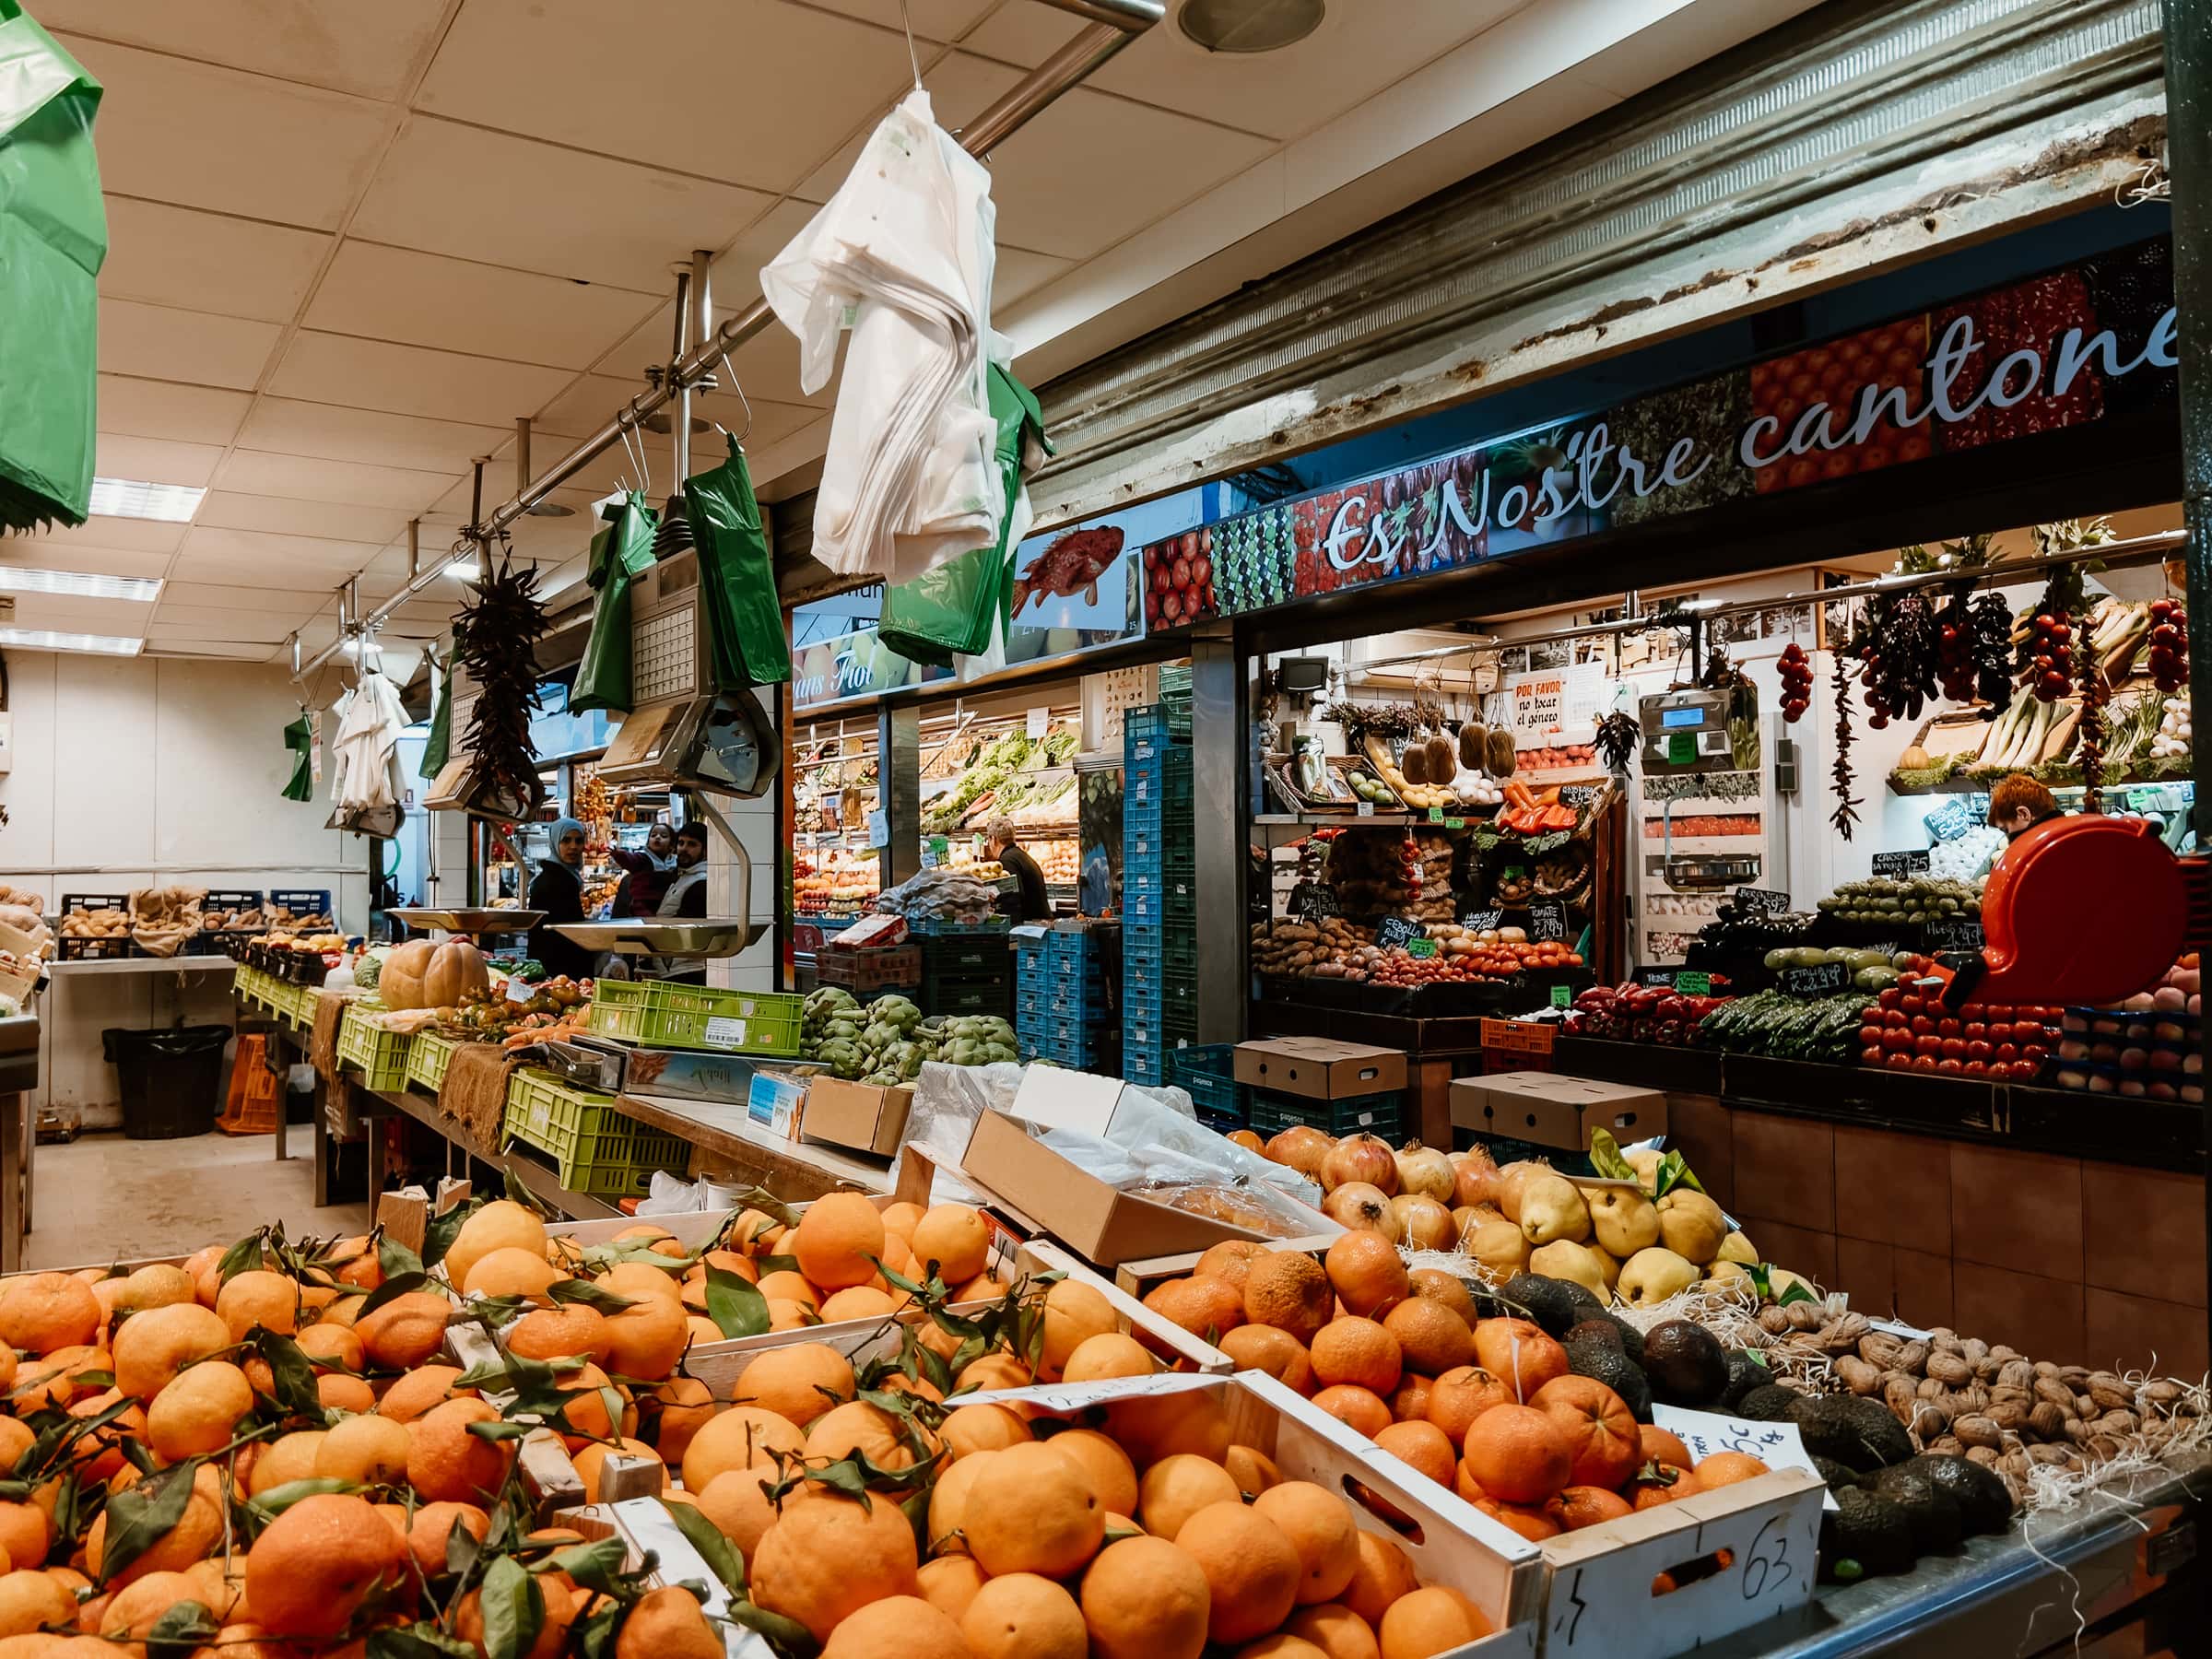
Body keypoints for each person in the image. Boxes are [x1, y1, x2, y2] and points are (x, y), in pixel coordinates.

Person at [525, 817, 596, 982]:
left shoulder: (565, 876)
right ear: (554, 842)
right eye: (566, 841)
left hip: (555, 968)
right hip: (560, 970)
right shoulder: (557, 881)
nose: (573, 847)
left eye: (578, 841)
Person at [653, 821, 712, 985]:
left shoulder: (701, 883)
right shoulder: (684, 877)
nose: (684, 849)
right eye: (681, 843)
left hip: (687, 970)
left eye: (692, 844)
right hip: (673, 968)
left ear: (705, 850)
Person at [985, 814, 1050, 922]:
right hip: (1039, 922)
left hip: (1030, 927)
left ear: (994, 839)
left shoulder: (1007, 861)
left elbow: (1013, 898)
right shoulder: (1021, 856)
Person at [608, 822, 677, 917]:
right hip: (643, 901)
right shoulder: (643, 858)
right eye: (653, 835)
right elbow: (630, 860)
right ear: (648, 841)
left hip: (665, 901)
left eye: (663, 836)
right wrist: (618, 854)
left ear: (672, 845)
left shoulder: (675, 861)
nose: (657, 837)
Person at [1987, 773, 2063, 842]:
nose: (2007, 839)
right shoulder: (2064, 834)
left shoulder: (2037, 852)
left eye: (2006, 830)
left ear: (2023, 814)